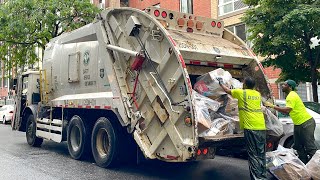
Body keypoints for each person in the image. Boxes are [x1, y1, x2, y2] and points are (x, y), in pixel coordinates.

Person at [218, 77, 266, 180]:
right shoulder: (257, 94)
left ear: (245, 85)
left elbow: (227, 91)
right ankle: (262, 176)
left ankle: (257, 179)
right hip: (261, 126)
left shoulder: (241, 93)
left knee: (253, 154)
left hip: (251, 127)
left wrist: (221, 82)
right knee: (261, 153)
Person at [264, 79, 318, 163]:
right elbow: (289, 112)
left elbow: (287, 110)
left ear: (290, 87)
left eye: (284, 85)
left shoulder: (291, 96)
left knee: (309, 146)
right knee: (298, 146)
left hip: (306, 123)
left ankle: (317, 166)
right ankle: (304, 164)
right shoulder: (290, 96)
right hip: (299, 124)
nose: (282, 86)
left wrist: (273, 106)